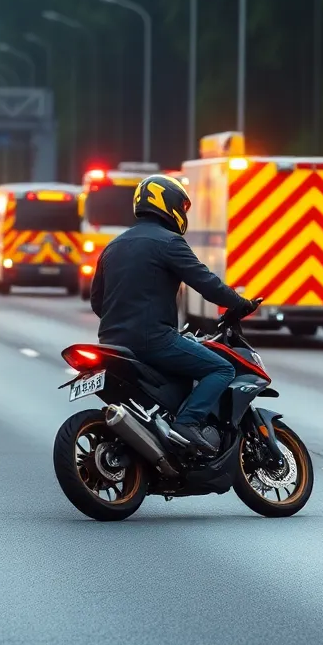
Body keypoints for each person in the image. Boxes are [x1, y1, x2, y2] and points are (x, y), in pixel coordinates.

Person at [89, 173, 258, 453]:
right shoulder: (168, 242)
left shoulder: (113, 245)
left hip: (110, 342)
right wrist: (239, 303)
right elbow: (205, 282)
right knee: (221, 368)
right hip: (154, 340)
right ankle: (187, 424)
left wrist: (125, 320)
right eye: (181, 206)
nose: (182, 212)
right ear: (167, 204)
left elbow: (98, 301)